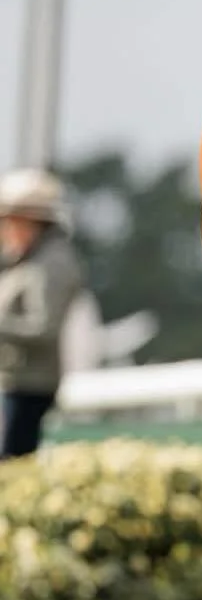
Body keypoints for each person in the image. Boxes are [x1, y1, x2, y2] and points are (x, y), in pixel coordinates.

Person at [0, 168, 85, 460]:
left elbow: (43, 327)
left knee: (12, 463)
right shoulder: (28, 262)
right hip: (15, 379)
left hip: (28, 384)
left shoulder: (50, 265)